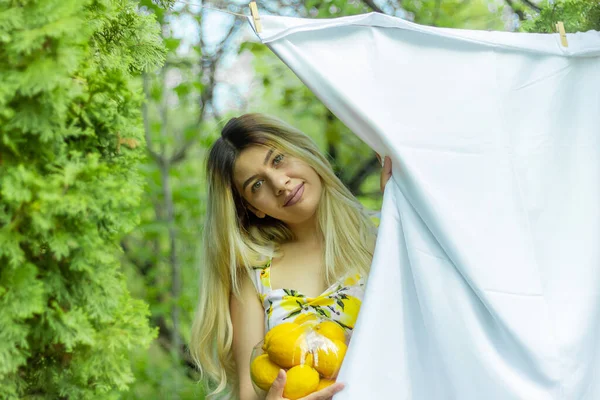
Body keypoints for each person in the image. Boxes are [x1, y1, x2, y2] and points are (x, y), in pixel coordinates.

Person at [190, 113, 392, 399]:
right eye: (256, 185)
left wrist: (402, 207)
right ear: (252, 208)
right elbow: (249, 394)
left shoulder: (386, 236)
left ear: (302, 151)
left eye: (278, 159)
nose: (280, 183)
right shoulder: (255, 275)